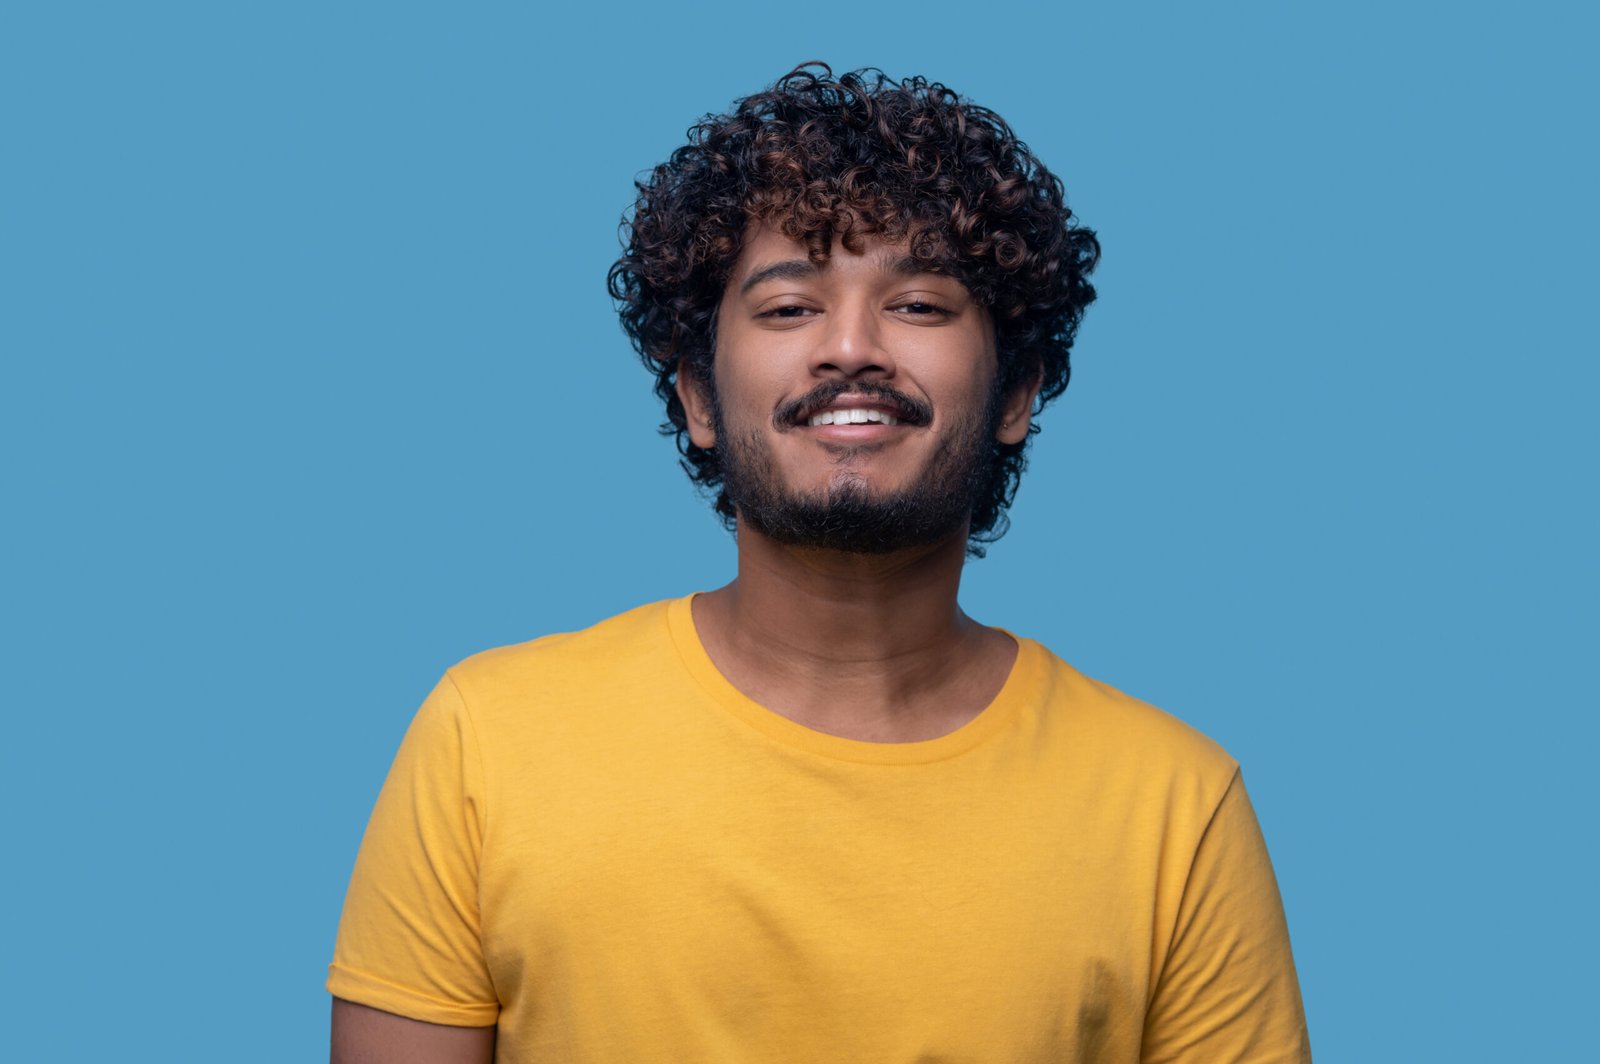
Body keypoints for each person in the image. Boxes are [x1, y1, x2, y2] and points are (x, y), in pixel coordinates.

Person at [327, 63, 1311, 1063]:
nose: (851, 346)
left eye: (920, 305)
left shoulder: (1173, 807)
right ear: (699, 399)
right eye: (789, 307)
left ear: (1016, 394)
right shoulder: (486, 744)